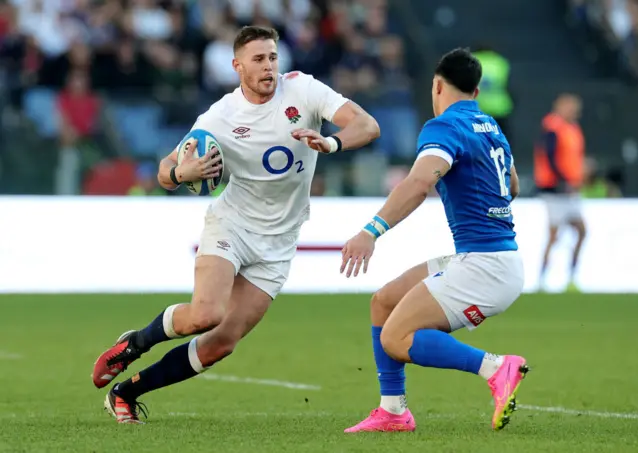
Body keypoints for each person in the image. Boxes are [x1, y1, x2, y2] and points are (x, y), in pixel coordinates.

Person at [91, 25, 380, 424]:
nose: (268, 68)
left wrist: (330, 142)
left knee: (220, 344)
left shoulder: (304, 89)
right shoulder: (220, 117)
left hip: (279, 241)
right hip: (233, 225)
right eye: (259, 60)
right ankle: (134, 343)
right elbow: (163, 171)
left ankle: (127, 391)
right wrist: (182, 173)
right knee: (205, 315)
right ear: (237, 66)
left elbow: (367, 125)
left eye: (273, 58)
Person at [340, 48, 528, 433]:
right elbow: (512, 186)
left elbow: (419, 182)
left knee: (396, 337)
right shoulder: (491, 126)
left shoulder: (443, 127)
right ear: (476, 92)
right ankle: (393, 410)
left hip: (485, 266)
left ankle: (496, 367)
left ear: (437, 85)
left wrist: (370, 231)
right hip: (488, 258)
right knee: (384, 302)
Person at [534, 93, 586, 292]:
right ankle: (542, 279)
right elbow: (549, 156)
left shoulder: (572, 128)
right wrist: (563, 180)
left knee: (582, 231)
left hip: (570, 189)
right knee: (554, 235)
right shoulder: (552, 128)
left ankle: (571, 276)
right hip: (555, 190)